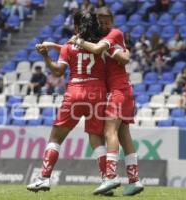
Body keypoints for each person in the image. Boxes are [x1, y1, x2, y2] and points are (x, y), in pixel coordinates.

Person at [27, 12, 108, 194]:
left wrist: (46, 56)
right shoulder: (102, 45)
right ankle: (106, 181)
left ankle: (44, 179)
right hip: (97, 93)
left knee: (55, 138)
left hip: (75, 93)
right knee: (96, 139)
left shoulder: (69, 46)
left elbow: (57, 72)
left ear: (77, 27)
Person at [69, 7, 144, 196]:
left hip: (118, 91)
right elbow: (123, 57)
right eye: (100, 21)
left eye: (106, 21)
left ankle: (111, 177)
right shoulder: (105, 39)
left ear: (112, 20)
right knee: (124, 135)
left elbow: (100, 50)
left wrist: (78, 40)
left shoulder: (113, 34)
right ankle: (135, 181)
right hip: (123, 90)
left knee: (109, 131)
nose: (103, 24)